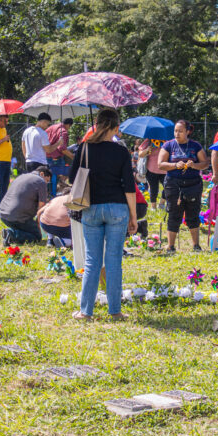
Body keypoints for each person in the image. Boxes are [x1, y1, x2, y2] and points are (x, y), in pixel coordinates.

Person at [68, 108, 137, 321]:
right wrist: (133, 216)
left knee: (92, 260)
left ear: (96, 125)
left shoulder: (84, 148)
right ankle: (115, 311)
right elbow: (129, 186)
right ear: (116, 128)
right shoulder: (121, 151)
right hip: (117, 208)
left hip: (91, 208)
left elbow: (72, 179)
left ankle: (85, 312)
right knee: (114, 259)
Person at [159, 120, 210, 253]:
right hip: (173, 184)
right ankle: (170, 246)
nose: (177, 133)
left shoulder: (195, 146)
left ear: (187, 131)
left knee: (193, 214)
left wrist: (194, 165)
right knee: (174, 213)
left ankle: (196, 245)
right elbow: (161, 164)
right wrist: (175, 165)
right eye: (175, 131)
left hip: (193, 184)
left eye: (180, 131)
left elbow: (205, 163)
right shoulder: (168, 145)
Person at [0, 166, 51, 245]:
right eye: (47, 180)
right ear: (42, 174)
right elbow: (41, 207)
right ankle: (12, 234)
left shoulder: (21, 177)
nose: (46, 183)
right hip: (18, 217)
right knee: (36, 236)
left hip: (3, 215)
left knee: (26, 228)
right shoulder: (40, 181)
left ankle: (12, 232)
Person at [45, 118, 74, 196]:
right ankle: (53, 195)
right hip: (56, 157)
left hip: (46, 155)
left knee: (48, 176)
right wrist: (72, 156)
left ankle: (48, 194)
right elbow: (62, 149)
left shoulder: (52, 127)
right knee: (56, 176)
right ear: (69, 125)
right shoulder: (63, 132)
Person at [138, 138, 167, 211]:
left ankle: (162, 204)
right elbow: (140, 154)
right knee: (154, 189)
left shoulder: (168, 140)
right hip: (152, 169)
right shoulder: (149, 141)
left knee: (168, 187)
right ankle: (153, 207)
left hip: (165, 169)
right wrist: (147, 150)